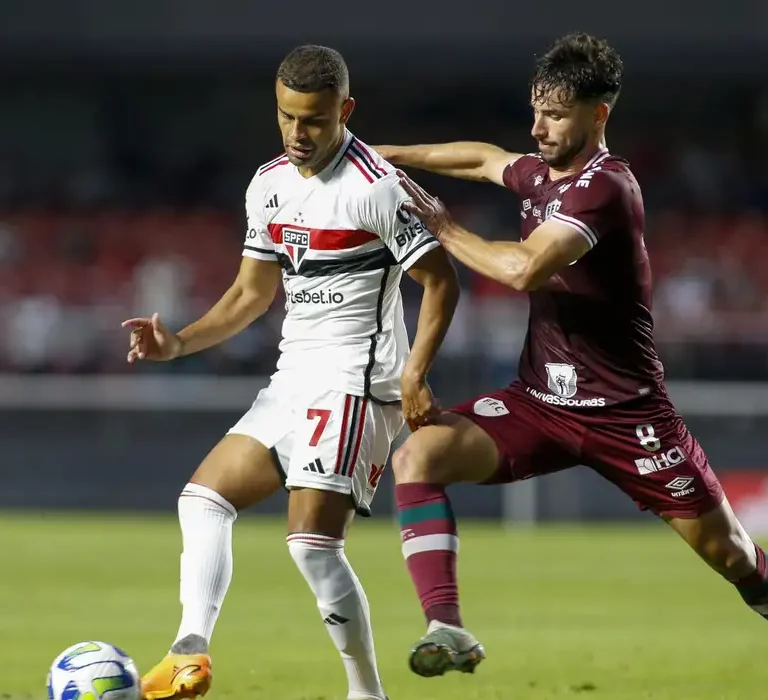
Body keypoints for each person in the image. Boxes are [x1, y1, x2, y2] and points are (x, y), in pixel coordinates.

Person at [375, 32, 768, 679]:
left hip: (628, 416)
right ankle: (446, 626)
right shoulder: (538, 171)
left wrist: (441, 227)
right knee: (420, 453)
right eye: (536, 110)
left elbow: (525, 268)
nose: (539, 127)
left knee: (731, 556)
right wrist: (382, 156)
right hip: (540, 402)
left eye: (555, 114)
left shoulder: (606, 188)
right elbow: (482, 159)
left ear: (598, 115)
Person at [125, 44, 459, 700]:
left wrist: (416, 373)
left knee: (310, 545)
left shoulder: (375, 187)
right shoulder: (269, 183)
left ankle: (367, 693)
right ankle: (191, 650)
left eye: (313, 120)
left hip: (358, 386)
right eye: (286, 117)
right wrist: (179, 344)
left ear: (346, 111)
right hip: (293, 381)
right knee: (202, 501)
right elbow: (252, 294)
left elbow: (441, 281)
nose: (297, 133)